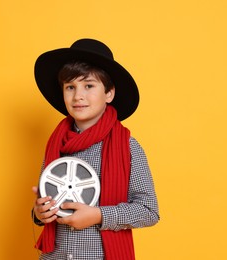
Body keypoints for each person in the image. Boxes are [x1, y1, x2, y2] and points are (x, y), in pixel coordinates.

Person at [31, 38, 159, 260]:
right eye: (70, 87)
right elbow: (47, 201)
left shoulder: (128, 147)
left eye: (89, 86)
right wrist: (39, 213)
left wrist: (99, 215)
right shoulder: (56, 144)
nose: (78, 96)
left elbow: (149, 211)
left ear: (109, 93)